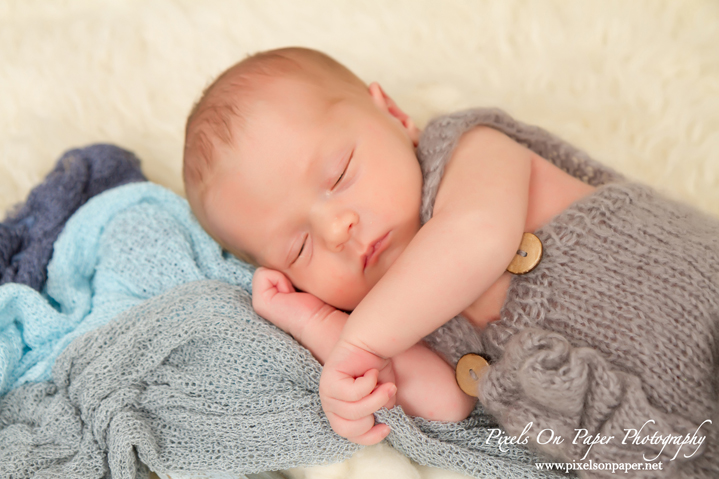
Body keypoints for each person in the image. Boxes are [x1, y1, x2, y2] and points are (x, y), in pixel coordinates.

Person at [182, 47, 719, 473]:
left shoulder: (464, 148)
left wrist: (360, 340)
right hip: (664, 443)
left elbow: (479, 236)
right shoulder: (390, 321)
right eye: (300, 247)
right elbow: (446, 405)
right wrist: (323, 329)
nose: (336, 229)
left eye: (340, 175)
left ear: (392, 114)